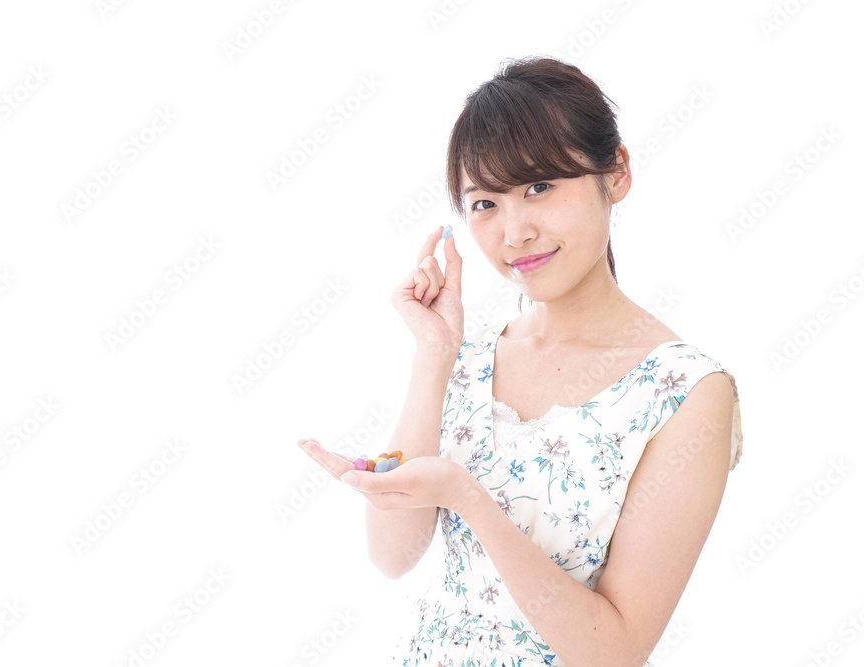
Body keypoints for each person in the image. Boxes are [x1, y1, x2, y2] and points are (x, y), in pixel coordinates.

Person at [296, 55, 743, 667]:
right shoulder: (468, 359)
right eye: (484, 203)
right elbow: (393, 556)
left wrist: (468, 497)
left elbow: (614, 651)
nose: (514, 233)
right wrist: (434, 355)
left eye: (539, 187)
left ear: (615, 173)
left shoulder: (686, 392)